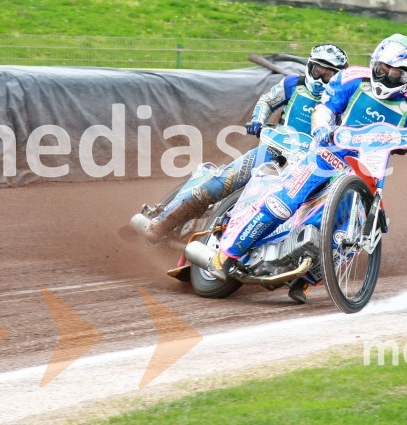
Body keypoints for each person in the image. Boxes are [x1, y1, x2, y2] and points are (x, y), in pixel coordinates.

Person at [201, 34, 407, 300]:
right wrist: (322, 128)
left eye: (396, 74)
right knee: (285, 201)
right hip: (326, 155)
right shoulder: (352, 79)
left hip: (366, 174)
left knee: (354, 231)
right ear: (374, 64)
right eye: (382, 69)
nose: (386, 77)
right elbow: (326, 107)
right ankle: (226, 255)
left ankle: (305, 278)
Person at [129, 44, 349, 302]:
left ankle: (300, 275)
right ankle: (162, 224)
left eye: (330, 73)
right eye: (319, 69)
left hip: (307, 165)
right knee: (224, 182)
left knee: (320, 213)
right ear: (310, 66)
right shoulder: (293, 84)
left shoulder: (341, 103)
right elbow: (268, 100)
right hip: (274, 149)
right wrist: (258, 118)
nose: (323, 77)